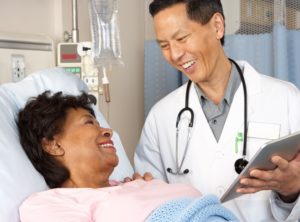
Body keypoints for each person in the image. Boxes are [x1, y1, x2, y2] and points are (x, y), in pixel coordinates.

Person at [134, 0, 300, 221]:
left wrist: (291, 190)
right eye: (164, 45)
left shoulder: (285, 98)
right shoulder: (161, 117)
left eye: (182, 38)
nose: (174, 55)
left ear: (217, 26)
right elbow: (151, 208)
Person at [17, 91, 238, 222]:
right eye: (88, 122)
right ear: (53, 145)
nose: (108, 131)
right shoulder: (47, 204)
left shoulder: (136, 183)